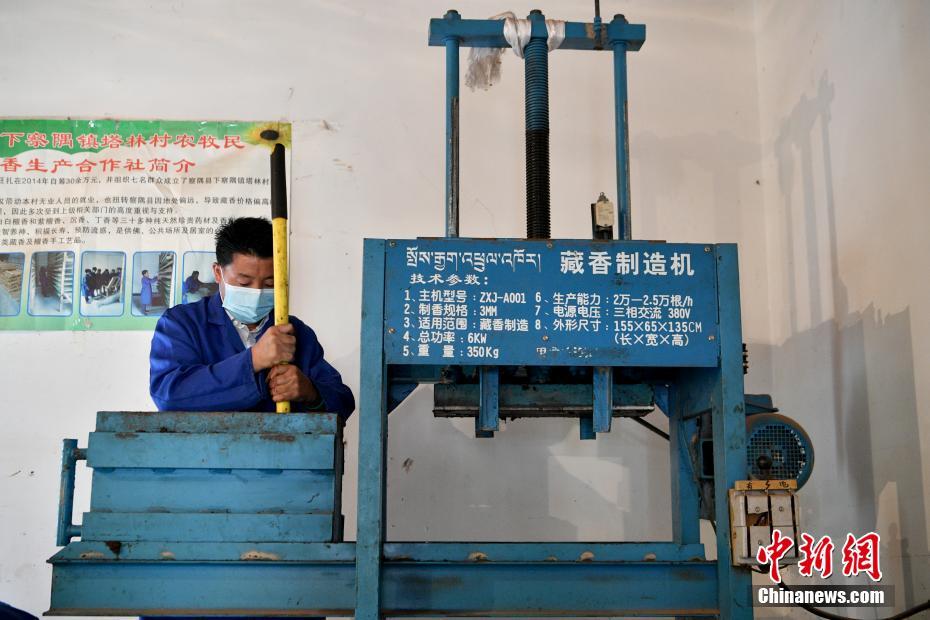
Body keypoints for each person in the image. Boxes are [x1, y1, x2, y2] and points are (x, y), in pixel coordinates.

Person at [149, 217, 355, 416]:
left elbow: (343, 401)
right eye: (244, 283)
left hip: (281, 441)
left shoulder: (294, 331)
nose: (257, 292)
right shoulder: (182, 324)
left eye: (269, 283)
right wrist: (253, 360)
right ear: (218, 273)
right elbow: (169, 396)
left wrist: (311, 392)